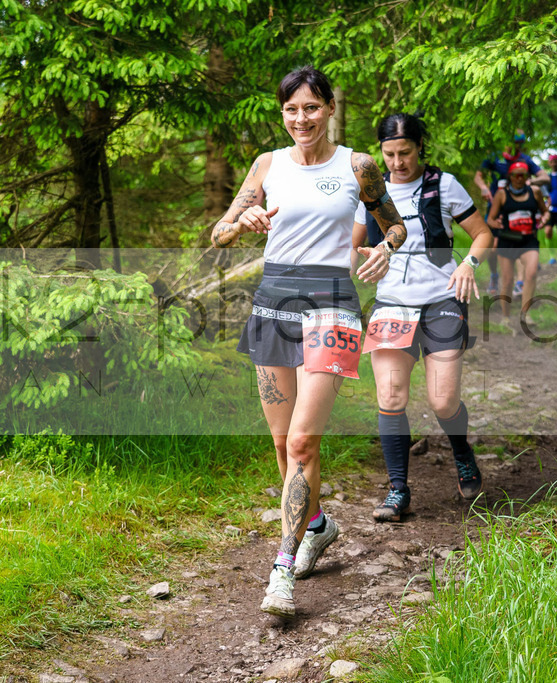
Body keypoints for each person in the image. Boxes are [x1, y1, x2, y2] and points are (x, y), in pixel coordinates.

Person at [211, 66, 406, 619]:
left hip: (333, 307)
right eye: (292, 110)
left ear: (330, 109)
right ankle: (317, 526)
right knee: (282, 445)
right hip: (273, 306)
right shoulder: (267, 165)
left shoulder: (358, 165)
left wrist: (386, 248)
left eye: (312, 108)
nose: (302, 119)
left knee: (302, 443)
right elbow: (219, 234)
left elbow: (395, 224)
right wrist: (243, 220)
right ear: (283, 114)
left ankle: (281, 571)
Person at [350, 112, 492, 522]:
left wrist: (468, 264)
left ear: (419, 147)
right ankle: (398, 490)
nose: (398, 162)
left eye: (406, 152)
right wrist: (358, 259)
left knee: (443, 401)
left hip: (441, 300)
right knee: (390, 397)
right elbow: (350, 248)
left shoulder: (443, 185)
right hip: (391, 304)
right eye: (389, 154)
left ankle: (461, 451)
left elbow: (483, 234)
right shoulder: (370, 192)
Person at [473, 129, 549, 295]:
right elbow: (478, 176)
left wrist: (530, 182)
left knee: (520, 244)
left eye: (519, 143)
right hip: (497, 209)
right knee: (492, 248)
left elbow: (545, 177)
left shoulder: (525, 160)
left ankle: (519, 282)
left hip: (518, 210)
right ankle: (494, 275)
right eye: (514, 142)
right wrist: (484, 187)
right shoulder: (494, 157)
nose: (516, 146)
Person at [486, 161, 549, 320]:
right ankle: (506, 317)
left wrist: (544, 219)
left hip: (528, 240)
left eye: (523, 175)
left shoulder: (535, 192)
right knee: (508, 281)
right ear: (510, 177)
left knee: (531, 274)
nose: (519, 178)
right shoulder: (501, 194)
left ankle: (525, 315)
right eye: (516, 175)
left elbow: (545, 211)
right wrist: (496, 224)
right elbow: (490, 219)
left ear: (527, 177)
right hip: (507, 241)